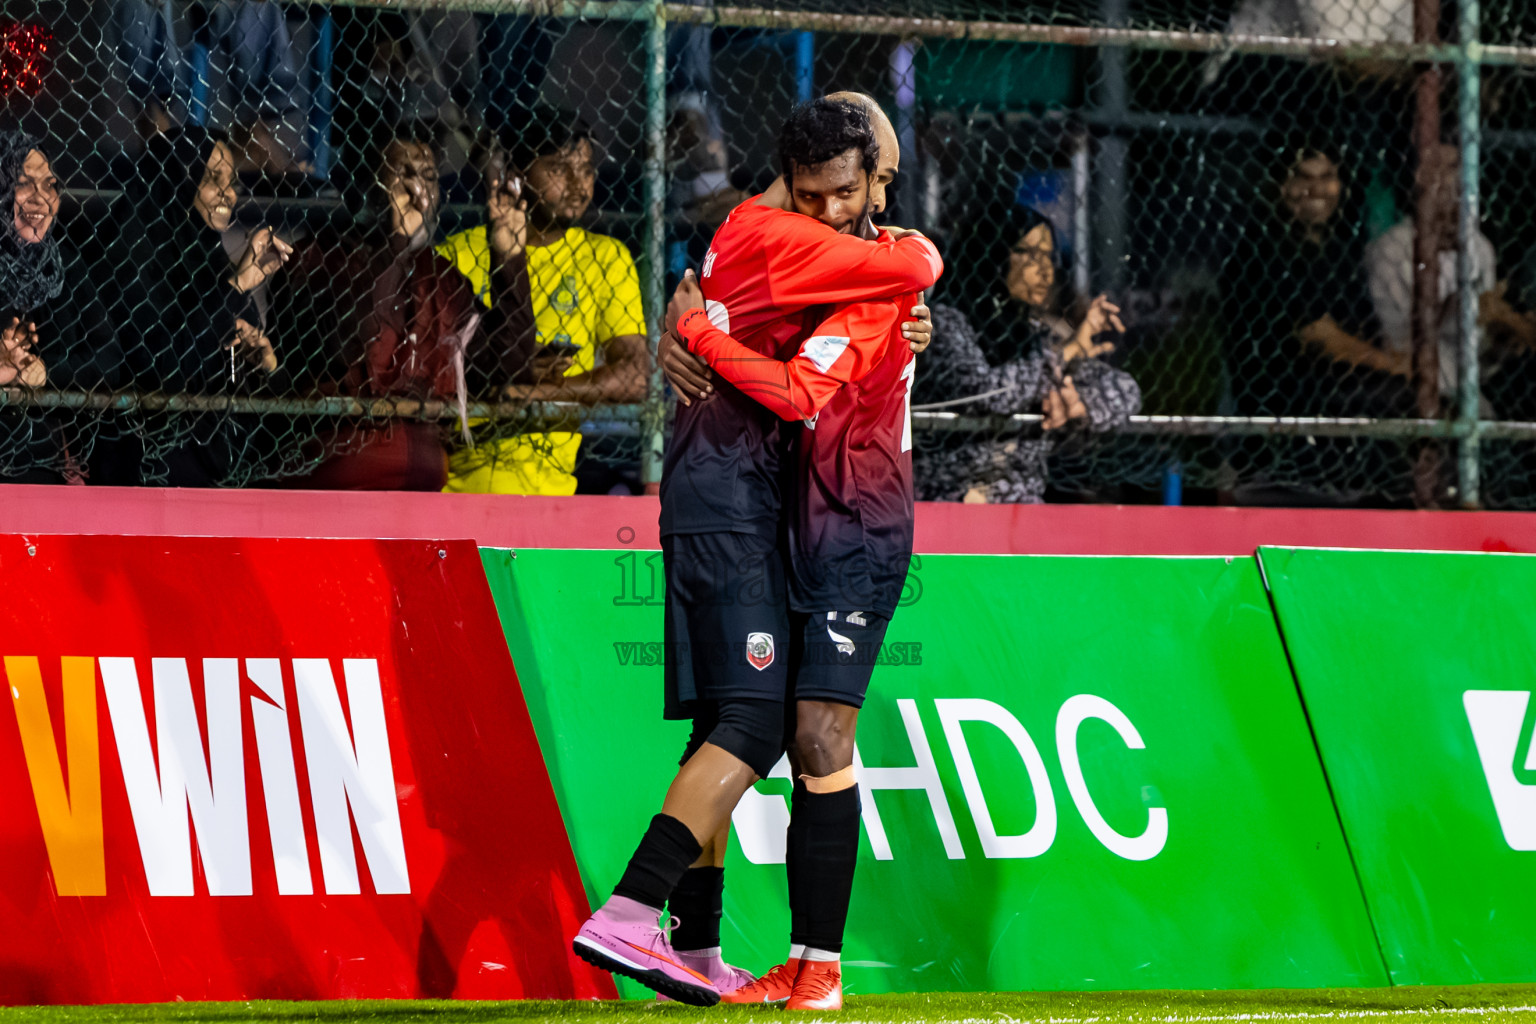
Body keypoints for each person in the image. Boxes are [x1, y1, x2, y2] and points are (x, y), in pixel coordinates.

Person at [570, 96, 942, 1010]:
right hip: (735, 502)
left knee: (735, 725)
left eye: (853, 192)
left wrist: (902, 323)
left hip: (764, 505)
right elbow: (908, 269)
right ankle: (630, 913)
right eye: (822, 194)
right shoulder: (784, 235)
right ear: (792, 181)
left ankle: (697, 950)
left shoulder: (776, 236)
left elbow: (888, 293)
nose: (836, 212)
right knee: (754, 723)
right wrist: (690, 332)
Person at [279, 123, 536, 490]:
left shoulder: (441, 275)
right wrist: (396, 240)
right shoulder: (319, 258)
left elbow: (509, 364)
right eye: (403, 175)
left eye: (429, 177)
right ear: (368, 182)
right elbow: (356, 347)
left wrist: (509, 258)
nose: (418, 190)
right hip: (340, 460)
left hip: (423, 472)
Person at [438, 107, 650, 495]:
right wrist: (517, 368)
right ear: (516, 176)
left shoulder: (605, 257)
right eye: (557, 168)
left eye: (585, 170)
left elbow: (637, 375)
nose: (577, 183)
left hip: (552, 488)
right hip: (455, 481)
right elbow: (431, 366)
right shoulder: (458, 254)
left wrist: (542, 394)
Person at [913, 204, 1139, 504]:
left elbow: (1126, 391)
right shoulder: (945, 323)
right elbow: (985, 393)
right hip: (951, 496)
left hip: (1022, 503)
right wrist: (1067, 353)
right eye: (1030, 254)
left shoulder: (1036, 331)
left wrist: (1077, 403)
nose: (1045, 268)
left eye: (1048, 255)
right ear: (993, 254)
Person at [115, 125, 290, 486]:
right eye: (213, 179)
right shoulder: (135, 258)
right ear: (180, 180)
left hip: (225, 467)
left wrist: (266, 364)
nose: (229, 194)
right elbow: (162, 367)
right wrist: (237, 285)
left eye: (233, 182)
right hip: (156, 468)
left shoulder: (212, 263)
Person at [1306, 143, 1496, 406]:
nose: (1447, 179)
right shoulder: (1392, 249)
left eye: (1453, 167)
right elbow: (1403, 343)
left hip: (1468, 382)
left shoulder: (1480, 247)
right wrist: (1464, 309)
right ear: (1416, 176)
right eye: (1433, 168)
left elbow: (1482, 344)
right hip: (1411, 383)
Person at [0, 132, 116, 483]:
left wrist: (47, 374)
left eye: (49, 185)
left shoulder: (66, 266)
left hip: (50, 466)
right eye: (23, 184)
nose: (40, 198)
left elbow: (109, 358)